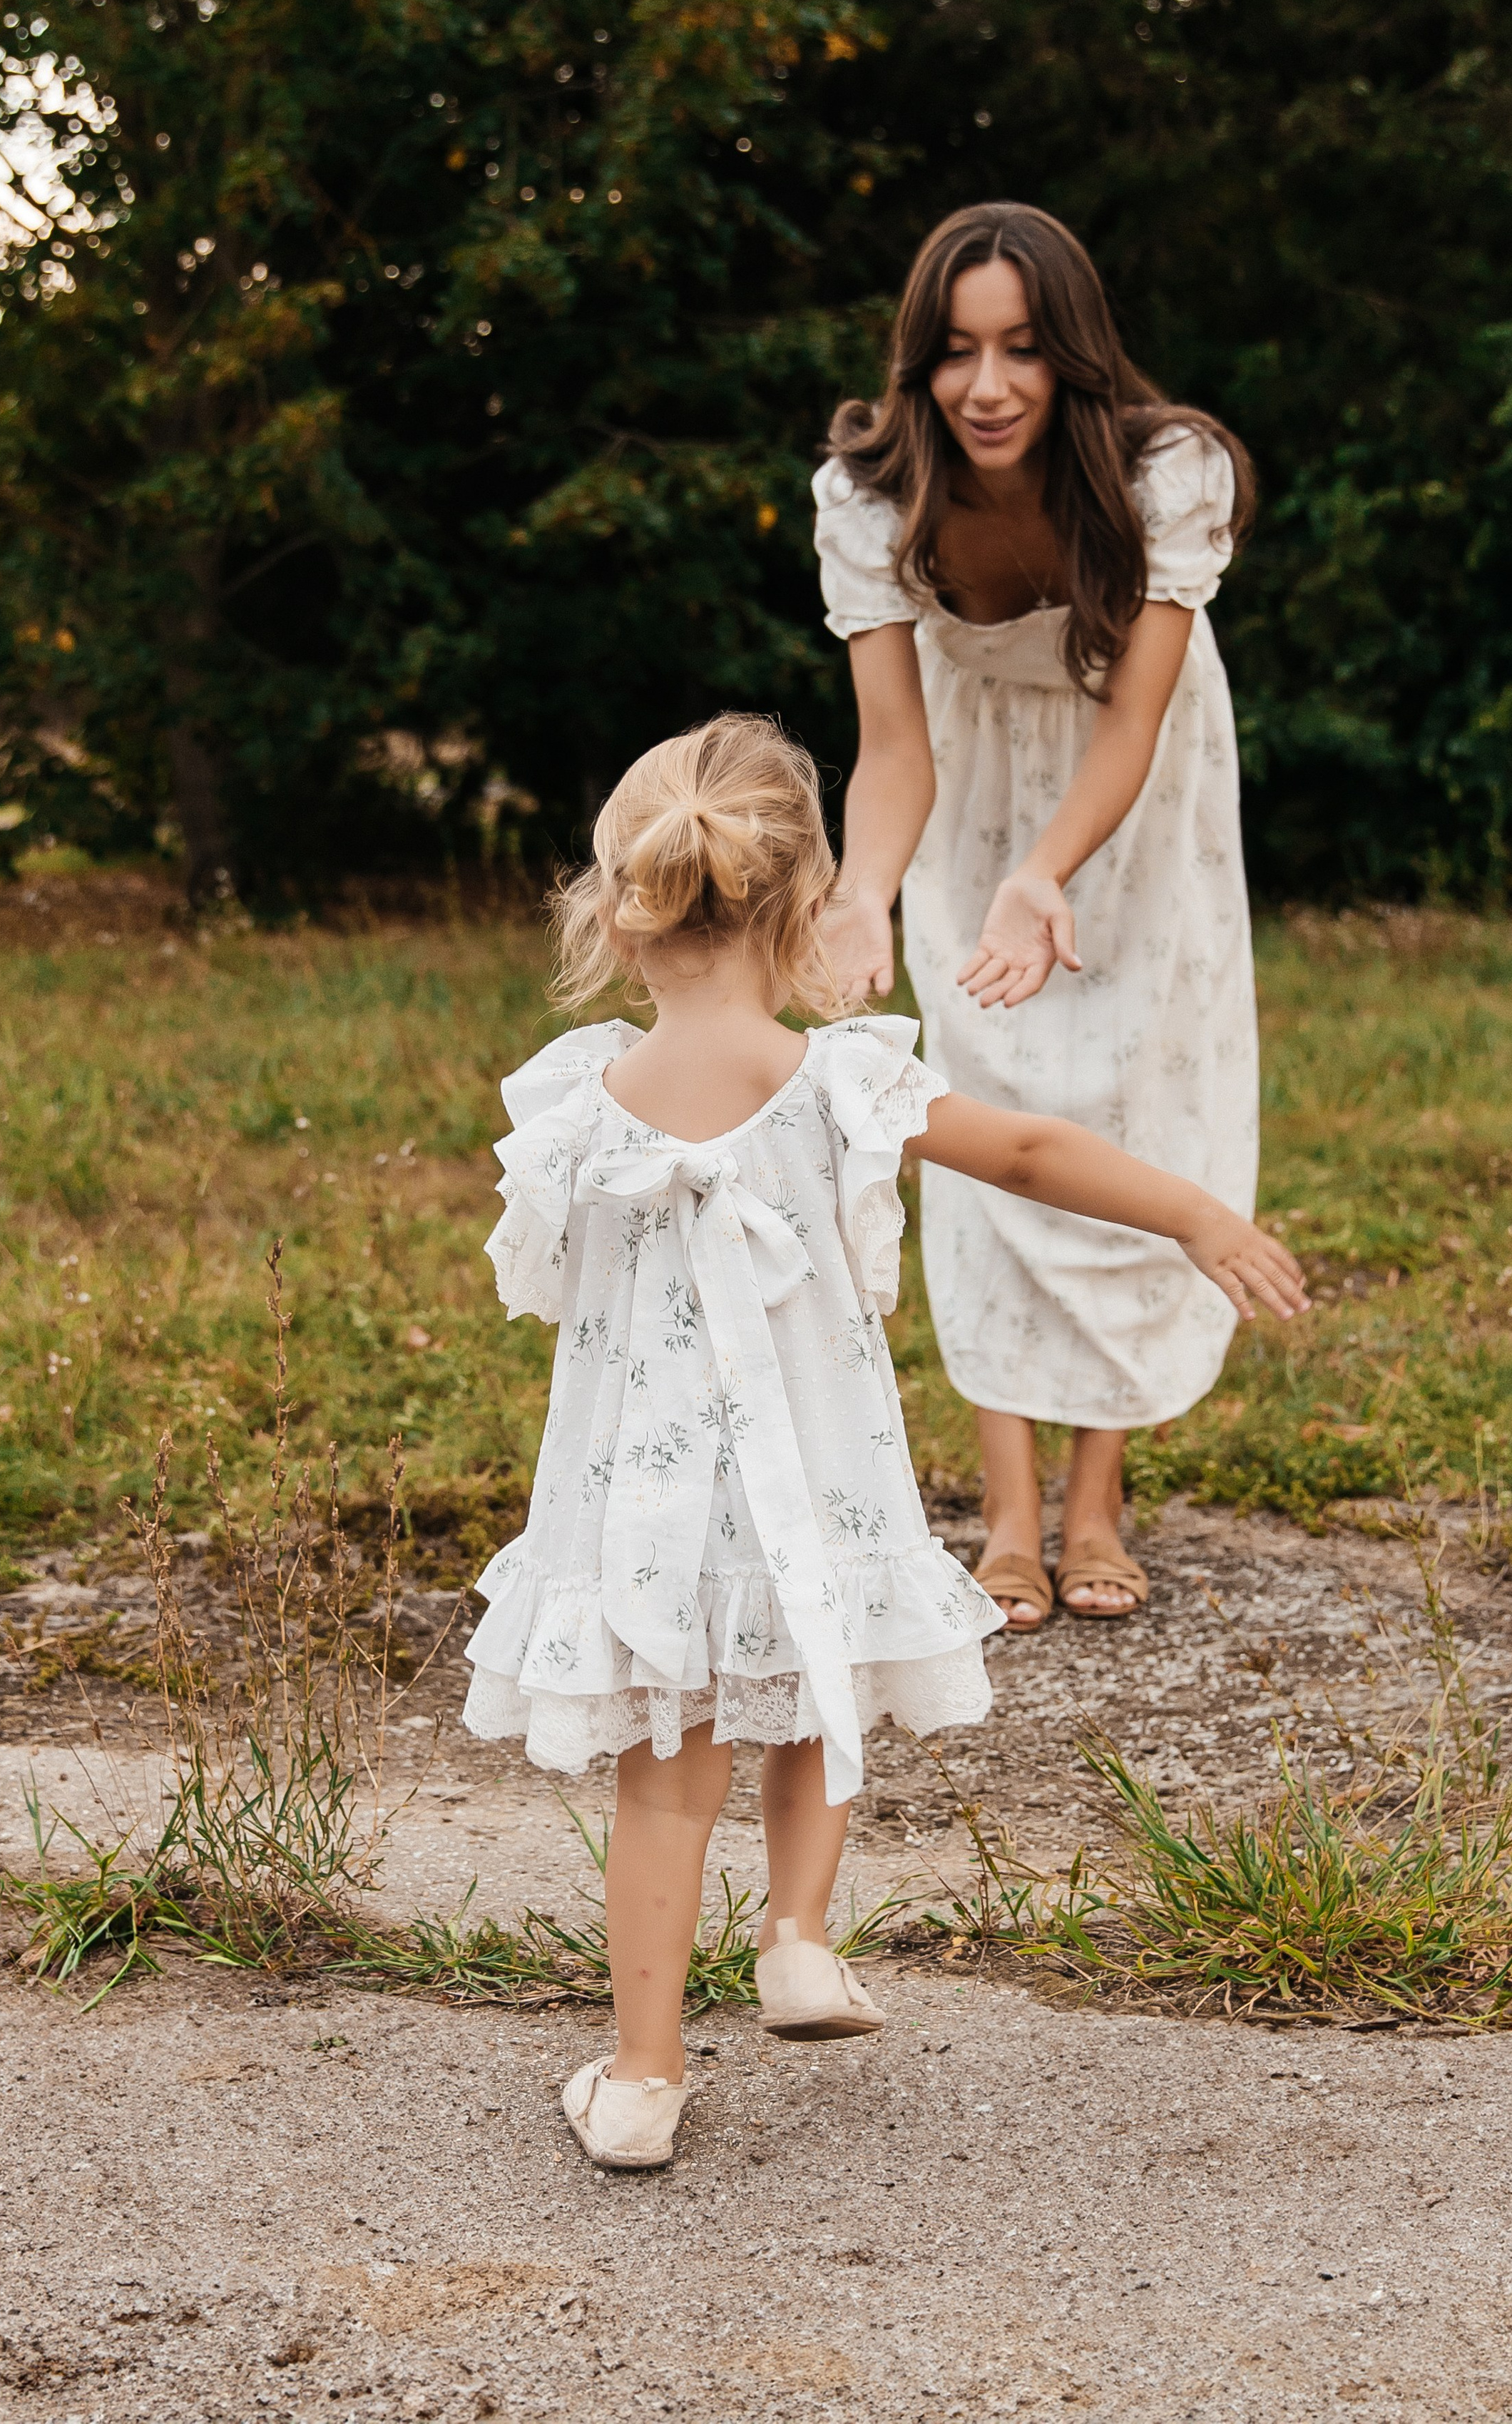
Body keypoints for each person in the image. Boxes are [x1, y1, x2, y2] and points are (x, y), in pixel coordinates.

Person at [461, 714, 1305, 2170]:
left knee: (667, 1778)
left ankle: (643, 2079)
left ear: (619, 910)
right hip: (818, 1479)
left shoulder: (575, 1104)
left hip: (650, 1507)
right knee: (819, 1676)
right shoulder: (838, 1083)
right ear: (808, 907)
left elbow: (548, 1293)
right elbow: (1028, 1151)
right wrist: (1194, 1214)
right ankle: (796, 1936)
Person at [817, 202, 1260, 1633]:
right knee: (984, 1104)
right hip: (969, 791)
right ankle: (1008, 1510)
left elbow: (1132, 720)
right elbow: (894, 749)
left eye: (1020, 349)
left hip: (1132, 802)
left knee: (1131, 1102)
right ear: (920, 363)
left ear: (1073, 354)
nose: (988, 386)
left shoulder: (1163, 474)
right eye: (957, 352)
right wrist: (863, 892)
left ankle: (1096, 1501)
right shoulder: (871, 497)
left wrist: (1047, 870)